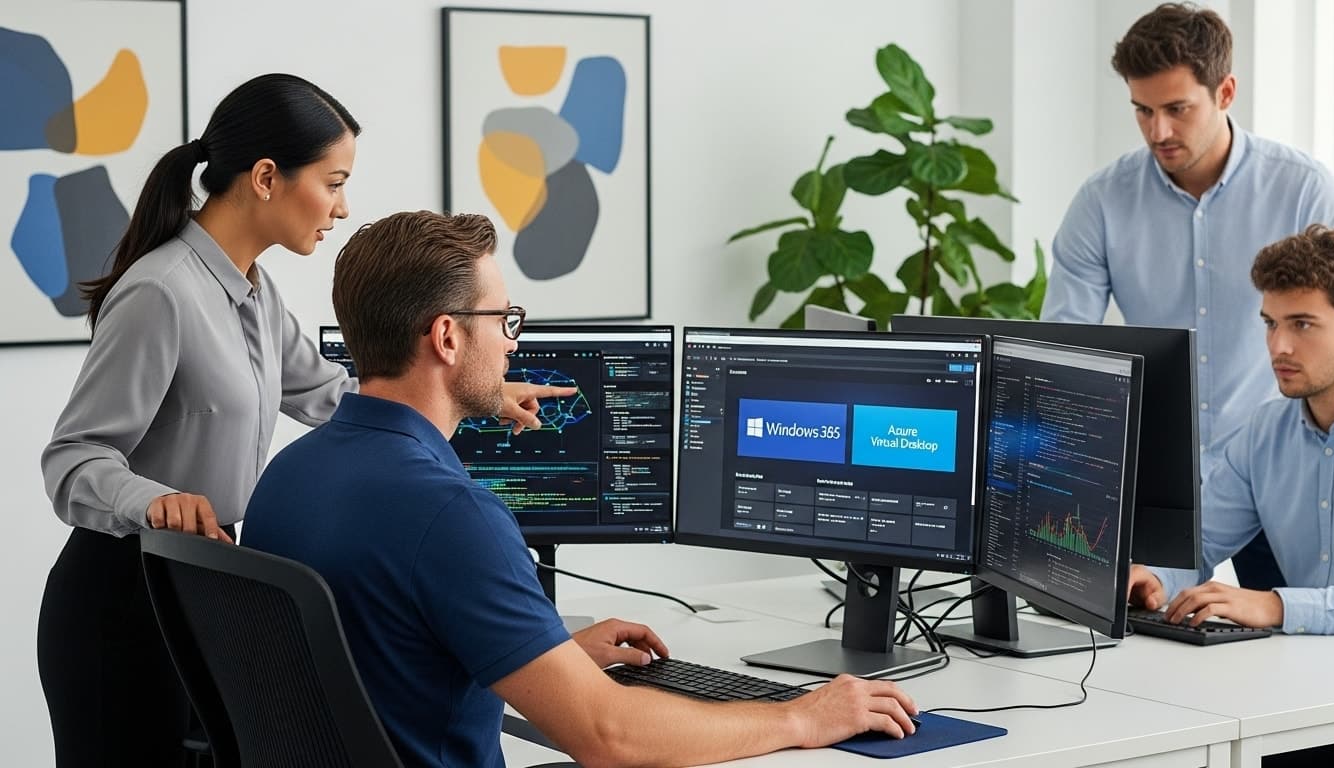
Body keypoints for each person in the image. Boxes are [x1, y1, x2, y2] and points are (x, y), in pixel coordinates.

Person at [241, 211, 920, 768]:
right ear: (447, 337)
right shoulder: (451, 514)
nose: (511, 345)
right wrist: (802, 715)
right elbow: (608, 735)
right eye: (503, 320)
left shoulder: (287, 477)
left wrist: (544, 653)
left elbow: (380, 651)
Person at [37, 76, 559, 767]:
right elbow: (72, 459)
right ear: (264, 178)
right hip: (122, 603)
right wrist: (156, 501)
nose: (343, 207)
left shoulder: (253, 289)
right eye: (333, 181)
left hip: (200, 594)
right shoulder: (161, 293)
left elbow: (329, 393)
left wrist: (478, 389)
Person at [1129, 225, 1334, 767]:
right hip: (1299, 698)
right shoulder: (1264, 433)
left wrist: (1277, 605)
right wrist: (1156, 578)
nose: (1279, 346)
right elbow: (1199, 543)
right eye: (1271, 323)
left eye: (1303, 324)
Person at [1042, 3, 1334, 465]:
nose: (1158, 131)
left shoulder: (1303, 190)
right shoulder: (1101, 202)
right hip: (1157, 468)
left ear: (1225, 92)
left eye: (1176, 108)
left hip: (1282, 468)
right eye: (1143, 110)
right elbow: (1063, 350)